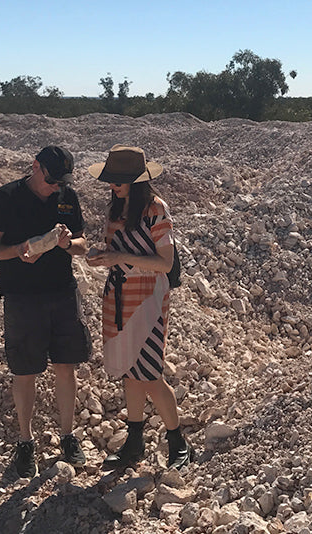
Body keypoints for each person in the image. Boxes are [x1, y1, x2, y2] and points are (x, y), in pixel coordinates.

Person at [0, 146, 92, 478]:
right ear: (35, 166)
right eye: (51, 179)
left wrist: (67, 244)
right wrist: (17, 251)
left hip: (62, 292)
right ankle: (25, 442)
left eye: (61, 181)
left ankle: (68, 436)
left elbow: (84, 245)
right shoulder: (4, 198)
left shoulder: (67, 197)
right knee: (25, 369)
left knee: (65, 366)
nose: (56, 186)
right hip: (22, 296)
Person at [85, 145, 194, 470]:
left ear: (135, 179)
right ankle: (135, 443)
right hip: (118, 298)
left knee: (149, 373)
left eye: (117, 180)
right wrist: (102, 257)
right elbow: (116, 251)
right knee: (131, 374)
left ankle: (177, 441)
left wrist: (120, 258)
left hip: (148, 300)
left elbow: (164, 262)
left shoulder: (155, 208)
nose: (112, 185)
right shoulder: (115, 210)